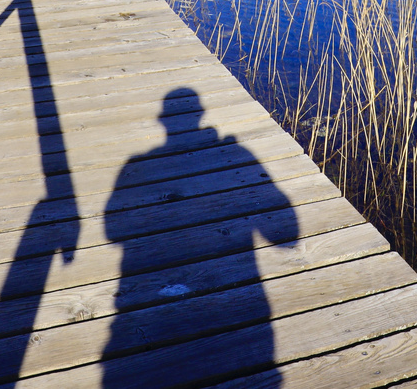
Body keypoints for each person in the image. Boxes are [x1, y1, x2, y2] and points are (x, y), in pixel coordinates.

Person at [102, 87, 299, 387]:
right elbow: (288, 237)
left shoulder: (136, 164)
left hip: (140, 306)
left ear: (163, 120)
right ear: (200, 115)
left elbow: (111, 230)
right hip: (246, 310)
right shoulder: (239, 154)